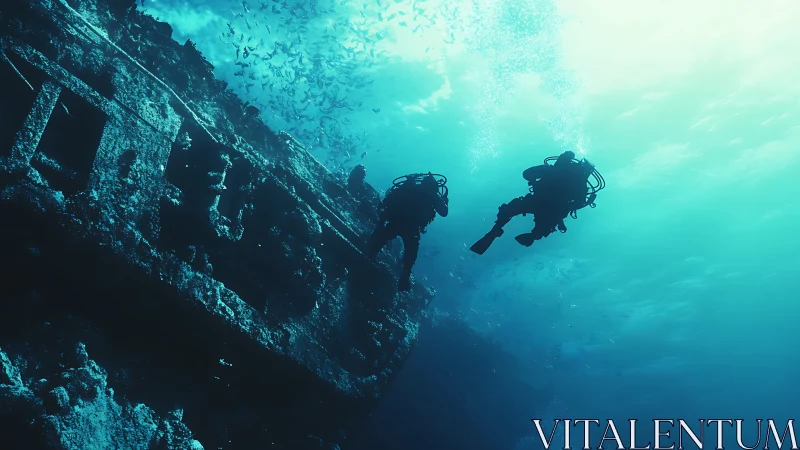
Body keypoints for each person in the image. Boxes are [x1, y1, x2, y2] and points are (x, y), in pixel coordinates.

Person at [470, 151, 603, 255]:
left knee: (511, 208)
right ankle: (532, 236)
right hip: (555, 210)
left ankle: (496, 230)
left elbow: (527, 174)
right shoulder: (581, 185)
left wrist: (536, 180)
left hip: (539, 200)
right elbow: (577, 204)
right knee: (545, 226)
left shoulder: (552, 170)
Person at [366, 172, 449, 291]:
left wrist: (382, 221)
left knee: (380, 239)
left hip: (396, 220)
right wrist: (445, 200)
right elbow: (444, 212)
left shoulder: (410, 187)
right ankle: (404, 277)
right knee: (411, 252)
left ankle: (369, 254)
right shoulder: (433, 194)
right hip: (412, 227)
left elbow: (387, 202)